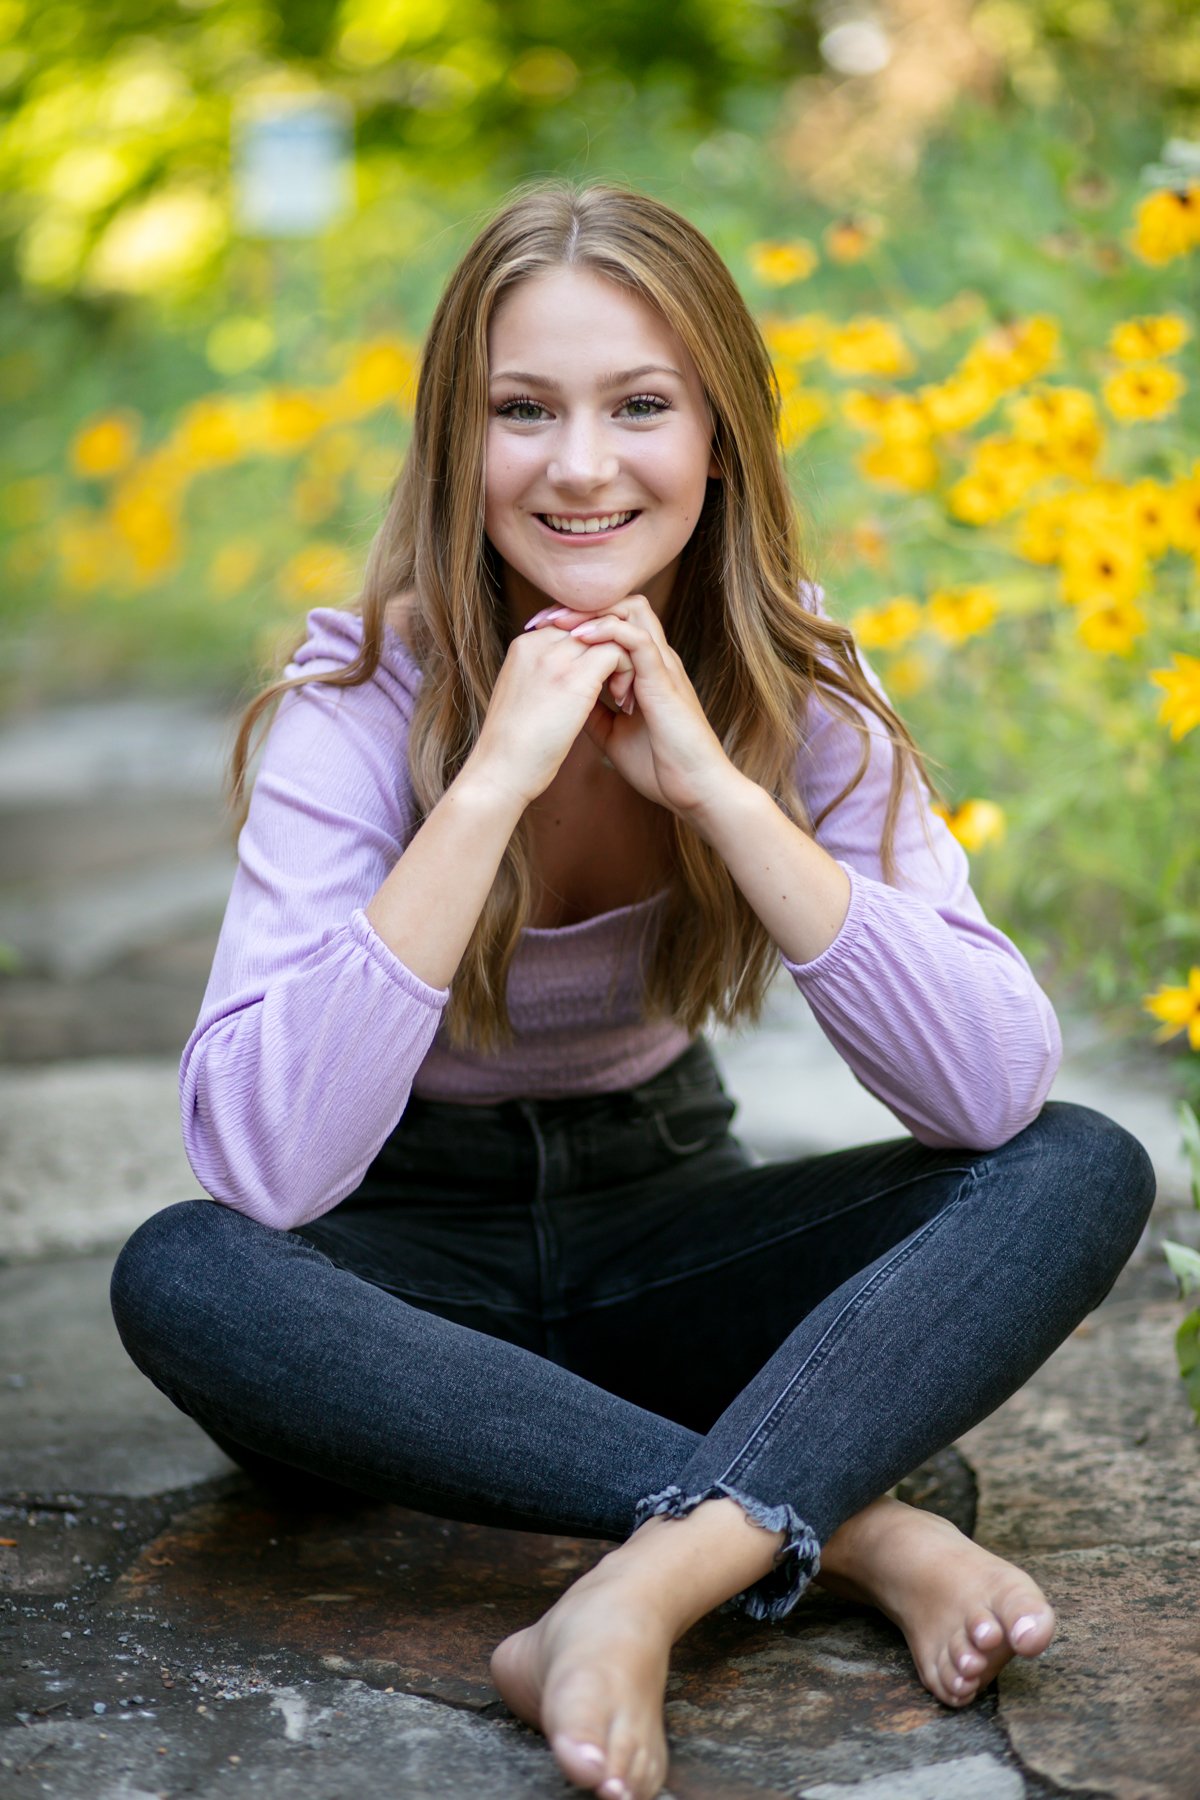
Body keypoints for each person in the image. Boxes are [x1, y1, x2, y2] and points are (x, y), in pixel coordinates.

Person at [110, 179, 1156, 1800]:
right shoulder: (352, 701)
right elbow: (262, 1167)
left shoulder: (798, 686)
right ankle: (855, 1526)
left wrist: (723, 799)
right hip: (398, 1269)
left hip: (666, 1214)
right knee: (186, 1275)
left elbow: (987, 1093)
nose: (580, 465)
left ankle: (646, 1583)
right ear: (457, 447)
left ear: (722, 436)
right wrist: (485, 790)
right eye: (521, 410)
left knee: (1080, 1162)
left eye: (640, 406)